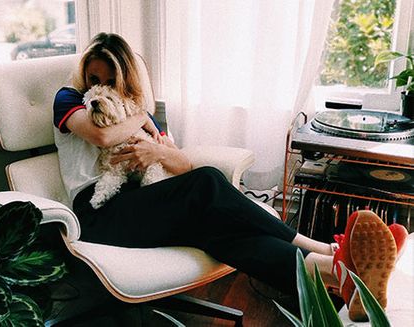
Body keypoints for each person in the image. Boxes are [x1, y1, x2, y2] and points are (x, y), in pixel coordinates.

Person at [53, 32, 408, 322]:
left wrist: (157, 150)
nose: (98, 87)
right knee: (208, 181)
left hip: (144, 207)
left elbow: (181, 165)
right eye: (93, 78)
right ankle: (321, 248)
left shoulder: (134, 111)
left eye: (110, 81)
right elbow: (101, 136)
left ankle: (342, 276)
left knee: (223, 234)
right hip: (97, 213)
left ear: (125, 80)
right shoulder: (71, 99)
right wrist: (143, 116)